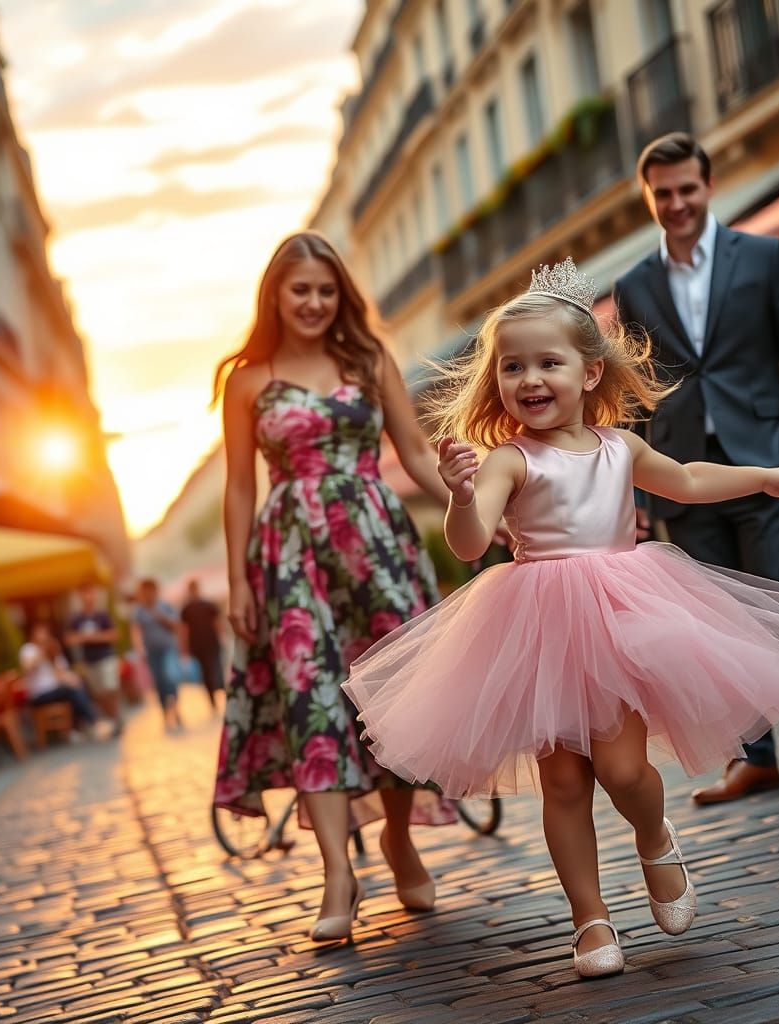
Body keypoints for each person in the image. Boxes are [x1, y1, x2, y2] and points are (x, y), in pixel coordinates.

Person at [342, 259, 779, 978]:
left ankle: (654, 835)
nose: (530, 379)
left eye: (549, 362)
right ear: (498, 381)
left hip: (619, 615)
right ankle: (590, 919)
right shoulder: (509, 460)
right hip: (536, 625)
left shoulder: (619, 447)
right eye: (512, 367)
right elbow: (472, 543)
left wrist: (765, 474)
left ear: (591, 373)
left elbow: (690, 479)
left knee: (623, 767)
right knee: (565, 784)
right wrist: (456, 495)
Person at [212, 230, 456, 944]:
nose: (314, 303)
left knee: (391, 700)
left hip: (376, 545)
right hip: (289, 557)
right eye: (300, 291)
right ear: (276, 296)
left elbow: (412, 452)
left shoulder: (367, 357)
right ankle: (335, 874)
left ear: (339, 295)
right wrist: (237, 581)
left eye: (325, 290)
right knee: (310, 703)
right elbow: (235, 489)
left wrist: (477, 509)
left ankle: (398, 839)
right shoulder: (248, 380)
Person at [613, 132, 779, 803]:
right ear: (649, 198)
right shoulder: (632, 286)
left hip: (767, 464)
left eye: (687, 188)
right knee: (715, 626)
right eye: (664, 194)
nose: (677, 202)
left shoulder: (765, 257)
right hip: (681, 477)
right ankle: (753, 757)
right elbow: (631, 393)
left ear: (707, 187)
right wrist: (631, 485)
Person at [19, 623, 110, 740]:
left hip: (56, 689)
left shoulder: (52, 649)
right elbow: (28, 668)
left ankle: (82, 727)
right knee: (72, 691)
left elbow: (60, 674)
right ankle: (95, 723)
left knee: (78, 684)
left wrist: (72, 678)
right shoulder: (29, 649)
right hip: (40, 693)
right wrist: (42, 652)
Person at [65, 583, 122, 737]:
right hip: (89, 661)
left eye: (90, 593)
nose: (88, 597)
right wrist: (85, 638)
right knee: (99, 694)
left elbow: (114, 635)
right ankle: (113, 718)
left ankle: (116, 719)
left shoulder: (102, 615)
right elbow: (69, 639)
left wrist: (93, 637)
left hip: (106, 657)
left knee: (110, 689)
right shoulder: (76, 619)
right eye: (84, 593)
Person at [130, 578, 182, 730]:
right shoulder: (139, 610)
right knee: (159, 682)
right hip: (151, 652)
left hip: (168, 649)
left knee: (169, 678)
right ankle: (165, 712)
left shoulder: (164, 607)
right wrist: (139, 649)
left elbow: (176, 625)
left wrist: (160, 616)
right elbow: (136, 631)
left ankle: (176, 708)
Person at [180, 579, 224, 711]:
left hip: (211, 642)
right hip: (198, 645)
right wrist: (185, 647)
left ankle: (217, 693)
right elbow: (184, 630)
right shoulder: (186, 609)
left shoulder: (208, 604)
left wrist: (221, 637)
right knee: (206, 673)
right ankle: (212, 699)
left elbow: (217, 622)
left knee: (214, 669)